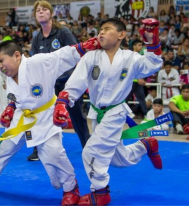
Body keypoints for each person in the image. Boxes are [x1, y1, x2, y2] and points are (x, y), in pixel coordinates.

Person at [53, 18, 163, 206]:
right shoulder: (91, 57)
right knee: (119, 158)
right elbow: (76, 82)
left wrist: (152, 42)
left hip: (116, 113)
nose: (100, 33)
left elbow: (153, 65)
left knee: (91, 151)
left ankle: (101, 192)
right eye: (99, 30)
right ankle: (146, 145)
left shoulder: (131, 57)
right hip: (97, 114)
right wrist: (63, 102)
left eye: (106, 29)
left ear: (121, 35)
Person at [0, 37, 100, 206]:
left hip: (45, 118)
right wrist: (11, 107)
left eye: (2, 61)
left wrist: (83, 47)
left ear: (17, 55)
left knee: (55, 154)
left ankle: (71, 188)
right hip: (21, 118)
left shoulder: (39, 62)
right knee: (0, 147)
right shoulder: (10, 74)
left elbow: (62, 55)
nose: (0, 66)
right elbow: (15, 95)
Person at [28, 0, 91, 161]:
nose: (40, 12)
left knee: (76, 115)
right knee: (41, 115)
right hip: (47, 84)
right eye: (37, 11)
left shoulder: (62, 32)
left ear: (51, 13)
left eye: (44, 9)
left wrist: (80, 80)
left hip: (68, 82)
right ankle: (37, 149)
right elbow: (34, 62)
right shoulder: (36, 38)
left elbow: (78, 54)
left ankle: (88, 146)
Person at [126, 39, 148, 118]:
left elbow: (140, 69)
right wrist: (138, 78)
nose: (141, 47)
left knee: (141, 97)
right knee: (126, 98)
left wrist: (141, 78)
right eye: (139, 45)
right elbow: (131, 68)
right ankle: (126, 113)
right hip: (131, 81)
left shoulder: (140, 56)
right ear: (134, 46)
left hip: (138, 81)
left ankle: (146, 114)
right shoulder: (130, 56)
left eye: (141, 45)